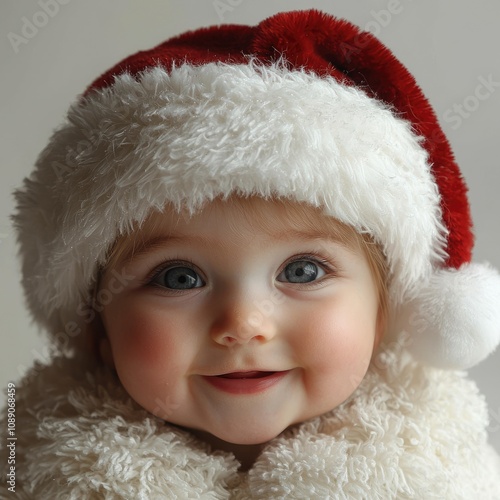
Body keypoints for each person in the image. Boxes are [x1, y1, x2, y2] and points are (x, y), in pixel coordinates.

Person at [1, 9, 500, 498]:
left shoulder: (442, 472)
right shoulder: (23, 466)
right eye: (179, 277)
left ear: (384, 310)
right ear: (98, 329)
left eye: (302, 271)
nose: (243, 322)